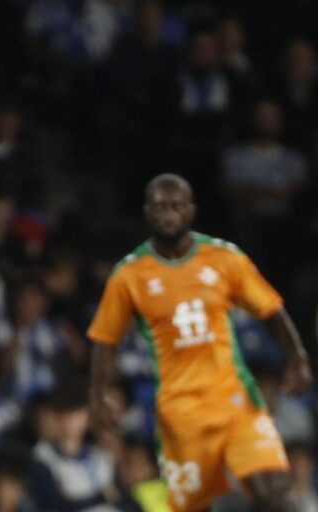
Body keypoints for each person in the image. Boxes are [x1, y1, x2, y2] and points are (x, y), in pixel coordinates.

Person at [87, 173, 312, 512]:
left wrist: (297, 358)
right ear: (147, 213)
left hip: (235, 402)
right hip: (180, 415)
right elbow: (105, 339)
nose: (169, 214)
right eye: (161, 207)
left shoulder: (224, 258)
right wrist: (98, 394)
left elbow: (271, 309)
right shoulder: (129, 275)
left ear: (191, 211)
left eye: (177, 207)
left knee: (276, 492)